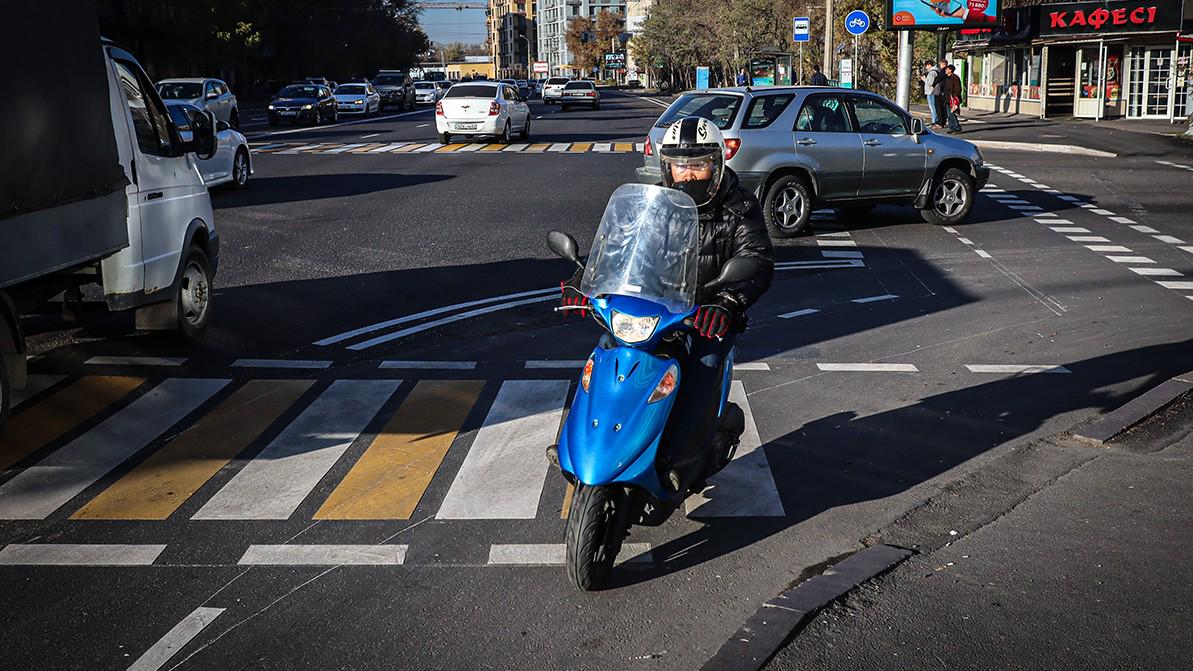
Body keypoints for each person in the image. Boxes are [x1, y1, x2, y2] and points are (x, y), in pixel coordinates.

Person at [559, 116, 774, 492]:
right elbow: (621, 245)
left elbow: (756, 259)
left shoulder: (740, 208)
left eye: (697, 164)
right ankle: (584, 445)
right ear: (666, 166)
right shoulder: (657, 204)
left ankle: (683, 460)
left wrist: (726, 303)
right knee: (606, 354)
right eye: (679, 164)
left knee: (703, 368)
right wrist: (586, 282)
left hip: (707, 315)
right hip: (654, 309)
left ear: (716, 164)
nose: (687, 174)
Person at [944, 64, 963, 133]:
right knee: (948, 114)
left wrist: (954, 96)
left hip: (953, 99)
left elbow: (958, 89)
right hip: (947, 98)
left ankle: (957, 127)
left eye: (947, 69)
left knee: (952, 114)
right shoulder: (947, 78)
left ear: (950, 70)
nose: (945, 70)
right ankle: (951, 127)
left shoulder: (955, 78)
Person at [922, 60, 941, 126]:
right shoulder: (936, 71)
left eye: (926, 66)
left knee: (932, 107)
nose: (926, 67)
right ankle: (935, 120)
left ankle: (934, 120)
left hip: (931, 91)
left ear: (929, 65)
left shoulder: (932, 73)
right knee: (934, 106)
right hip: (934, 91)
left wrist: (924, 79)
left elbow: (930, 83)